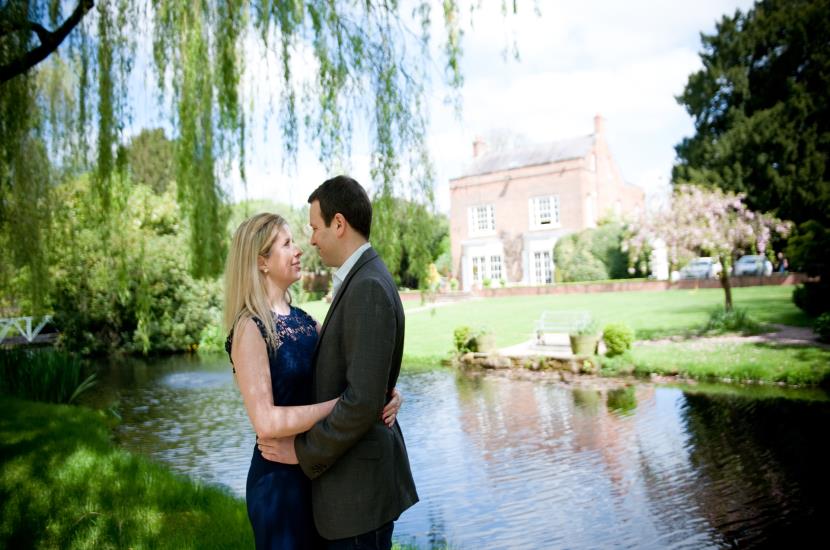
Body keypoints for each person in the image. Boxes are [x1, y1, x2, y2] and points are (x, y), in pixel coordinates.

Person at [223, 212, 402, 549]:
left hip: (317, 469)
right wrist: (344, 405)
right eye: (287, 244)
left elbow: (358, 373)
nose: (299, 250)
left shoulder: (307, 322)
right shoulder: (251, 328)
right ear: (262, 261)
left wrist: (388, 394)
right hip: (279, 480)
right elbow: (266, 421)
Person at [258, 176, 419, 549]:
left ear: (339, 224)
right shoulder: (364, 280)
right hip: (348, 491)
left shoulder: (367, 287)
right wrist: (384, 391)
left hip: (357, 495)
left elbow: (361, 402)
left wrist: (300, 452)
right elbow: (364, 381)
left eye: (315, 228)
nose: (311, 240)